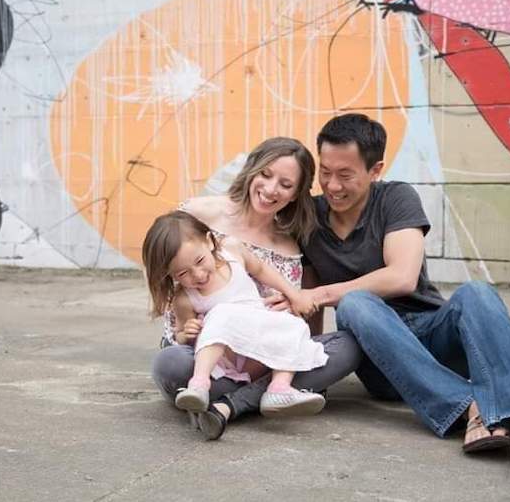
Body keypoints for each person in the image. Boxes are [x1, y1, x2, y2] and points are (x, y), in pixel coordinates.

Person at [298, 114, 510, 488]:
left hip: (433, 336)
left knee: (476, 292)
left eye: (345, 175)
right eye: (325, 172)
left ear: (375, 169)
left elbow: (402, 276)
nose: (332, 185)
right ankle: (471, 407)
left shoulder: (395, 197)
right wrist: (310, 367)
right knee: (356, 304)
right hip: (382, 362)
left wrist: (323, 294)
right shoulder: (310, 218)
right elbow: (306, 303)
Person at [149, 137, 361, 441]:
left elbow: (298, 317)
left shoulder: (290, 246)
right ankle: (247, 397)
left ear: (296, 195)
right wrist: (189, 323)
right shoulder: (199, 215)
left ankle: (227, 404)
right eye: (265, 174)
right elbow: (162, 266)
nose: (271, 188)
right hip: (201, 353)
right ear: (251, 170)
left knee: (347, 346)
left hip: (260, 356)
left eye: (286, 184)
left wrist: (289, 304)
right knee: (170, 364)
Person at [142, 211, 328, 419]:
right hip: (228, 355)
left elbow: (261, 270)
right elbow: (180, 335)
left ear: (210, 241)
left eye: (200, 261)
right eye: (183, 274)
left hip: (257, 340)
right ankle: (199, 384)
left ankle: (279, 388)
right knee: (221, 313)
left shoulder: (233, 251)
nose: (198, 275)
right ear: (171, 275)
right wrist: (187, 333)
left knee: (295, 324)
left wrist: (293, 294)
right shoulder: (184, 298)